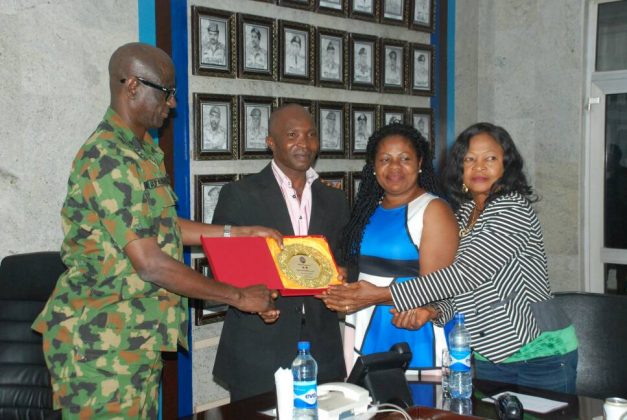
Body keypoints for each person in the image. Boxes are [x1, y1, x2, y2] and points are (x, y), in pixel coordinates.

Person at [31, 42, 280, 418]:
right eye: (166, 91)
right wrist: (239, 296)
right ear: (132, 86)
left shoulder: (142, 152)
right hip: (99, 347)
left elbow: (163, 227)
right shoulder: (107, 157)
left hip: (133, 338)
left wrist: (239, 233)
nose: (172, 103)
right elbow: (150, 263)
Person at [322, 122, 579, 394]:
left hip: (539, 351)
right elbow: (463, 289)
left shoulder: (512, 208)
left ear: (507, 164)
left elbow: (464, 275)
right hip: (490, 352)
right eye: (470, 159)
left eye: (490, 158)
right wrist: (433, 311)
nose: (479, 167)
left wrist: (379, 295)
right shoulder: (466, 213)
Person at [212, 104, 350, 401]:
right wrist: (252, 296)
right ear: (271, 142)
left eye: (311, 134)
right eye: (292, 135)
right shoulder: (240, 195)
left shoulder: (335, 199)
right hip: (258, 347)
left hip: (321, 346)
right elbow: (222, 271)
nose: (304, 143)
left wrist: (343, 273)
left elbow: (347, 257)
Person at [337, 124, 458, 374]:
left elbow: (437, 287)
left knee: (414, 398)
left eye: (405, 159)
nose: (394, 167)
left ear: (420, 162)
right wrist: (341, 281)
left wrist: (373, 296)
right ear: (373, 166)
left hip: (411, 326)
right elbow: (365, 269)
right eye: (385, 159)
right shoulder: (368, 209)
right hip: (365, 323)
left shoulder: (433, 209)